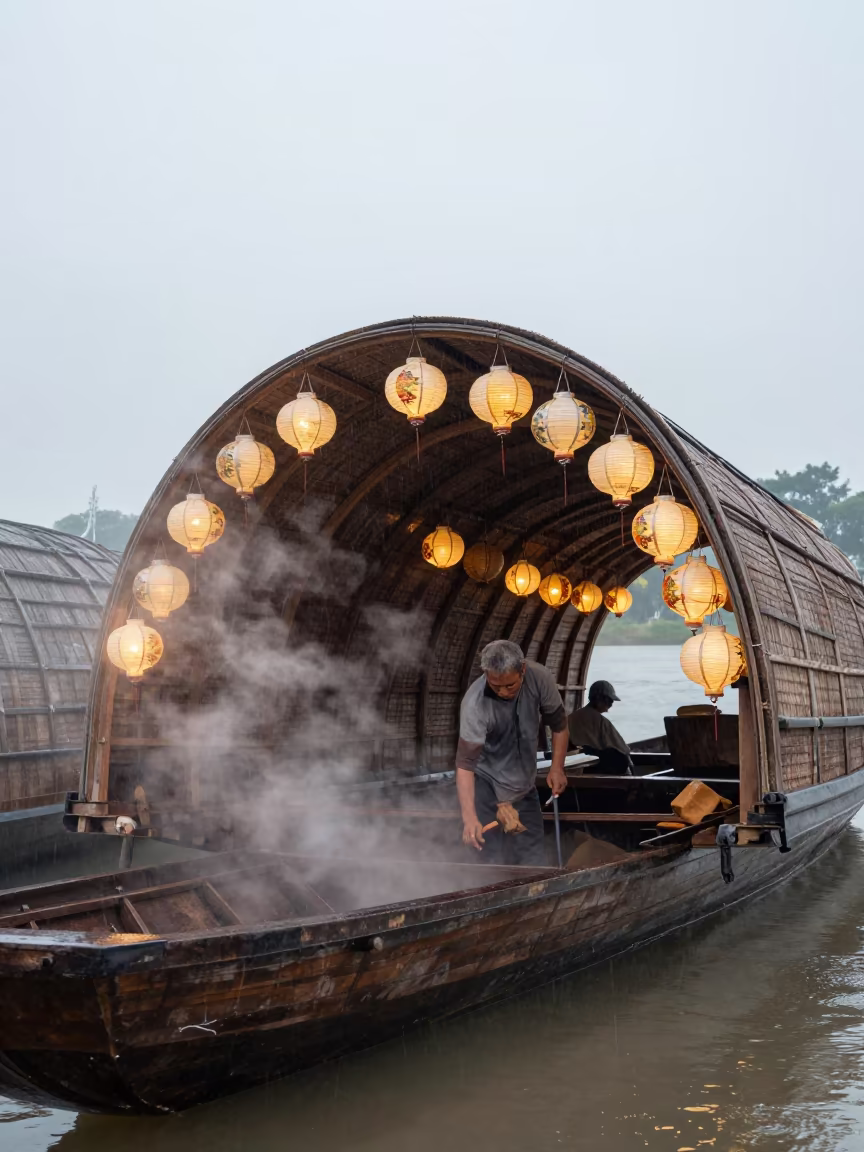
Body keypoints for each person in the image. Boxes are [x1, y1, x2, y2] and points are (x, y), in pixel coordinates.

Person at [456, 639, 569, 865]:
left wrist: (557, 768)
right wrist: (469, 818)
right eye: (495, 686)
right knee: (487, 856)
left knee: (532, 854)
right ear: (486, 673)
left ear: (523, 670)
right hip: (485, 786)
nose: (503, 692)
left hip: (523, 786)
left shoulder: (540, 678)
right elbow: (465, 766)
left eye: (510, 685)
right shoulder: (474, 703)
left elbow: (560, 726)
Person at [568, 680, 633, 775]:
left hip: (575, 767)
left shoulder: (570, 718)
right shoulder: (601, 721)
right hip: (598, 768)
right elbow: (623, 749)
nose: (611, 704)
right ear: (599, 699)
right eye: (609, 701)